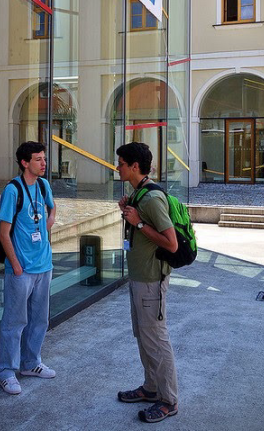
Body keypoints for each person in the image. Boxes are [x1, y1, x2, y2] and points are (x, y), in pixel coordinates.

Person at [116, 142, 179, 424]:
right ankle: (151, 389)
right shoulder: (138, 193)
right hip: (140, 277)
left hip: (152, 280)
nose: (117, 167)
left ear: (134, 167)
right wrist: (129, 213)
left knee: (156, 339)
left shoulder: (152, 199)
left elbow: (172, 244)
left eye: (121, 163)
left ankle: (169, 400)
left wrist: (139, 223)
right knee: (144, 337)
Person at [0, 141, 56, 395]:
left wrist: (44, 227)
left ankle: (31, 363)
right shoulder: (12, 190)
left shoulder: (43, 185)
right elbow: (3, 233)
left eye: (44, 158)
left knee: (39, 320)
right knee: (14, 322)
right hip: (22, 270)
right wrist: (17, 265)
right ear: (24, 162)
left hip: (44, 266)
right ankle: (6, 372)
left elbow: (52, 209)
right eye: (38, 159)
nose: (44, 163)